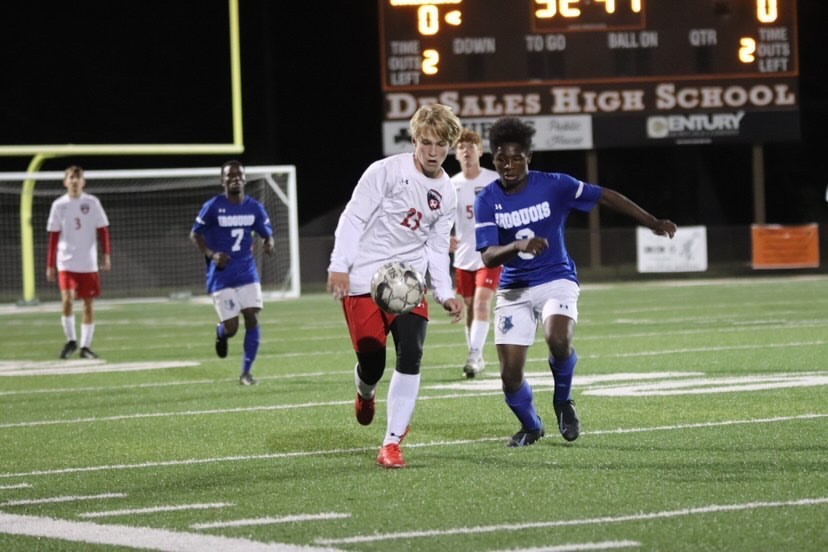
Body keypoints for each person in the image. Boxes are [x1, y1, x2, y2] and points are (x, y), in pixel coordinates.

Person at [474, 118, 677, 447]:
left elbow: (606, 196)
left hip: (556, 278)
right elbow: (488, 257)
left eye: (515, 158)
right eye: (500, 158)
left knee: (558, 339)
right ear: (493, 159)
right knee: (510, 376)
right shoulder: (487, 199)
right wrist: (516, 246)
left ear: (529, 158)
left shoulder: (555, 185)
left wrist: (651, 221)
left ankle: (563, 401)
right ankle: (531, 426)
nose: (508, 165)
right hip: (514, 289)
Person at [327, 104, 464, 469]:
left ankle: (391, 443)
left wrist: (445, 292)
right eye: (426, 143)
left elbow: (437, 247)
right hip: (364, 279)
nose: (433, 152)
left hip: (409, 282)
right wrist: (339, 266)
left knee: (411, 354)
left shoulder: (447, 192)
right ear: (414, 140)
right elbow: (354, 217)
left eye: (441, 145)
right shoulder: (385, 171)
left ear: (451, 144)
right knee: (372, 363)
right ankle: (365, 390)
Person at [190, 161, 275, 386]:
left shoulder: (254, 207)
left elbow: (267, 233)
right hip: (221, 275)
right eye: (230, 175)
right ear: (223, 180)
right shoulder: (213, 207)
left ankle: (246, 373)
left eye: (239, 175)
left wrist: (269, 243)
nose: (235, 178)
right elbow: (195, 234)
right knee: (232, 328)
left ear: (245, 179)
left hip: (246, 272)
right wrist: (211, 254)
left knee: (251, 316)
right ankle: (221, 332)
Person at [450, 128, 502, 378]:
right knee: (470, 307)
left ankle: (473, 354)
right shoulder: (451, 184)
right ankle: (476, 354)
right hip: (462, 255)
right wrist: (445, 238)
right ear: (456, 154)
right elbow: (443, 219)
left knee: (482, 301)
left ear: (480, 151)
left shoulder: (494, 180)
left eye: (470, 147)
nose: (466, 151)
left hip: (489, 252)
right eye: (461, 148)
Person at [46, 165, 112, 359]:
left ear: (83, 181)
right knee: (67, 299)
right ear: (65, 182)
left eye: (78, 177)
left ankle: (85, 346)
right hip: (65, 261)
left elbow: (103, 230)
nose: (74, 181)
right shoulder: (58, 205)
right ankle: (71, 340)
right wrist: (50, 265)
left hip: (88, 262)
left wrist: (106, 255)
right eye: (71, 177)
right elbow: (53, 236)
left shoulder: (92, 203)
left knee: (88, 304)